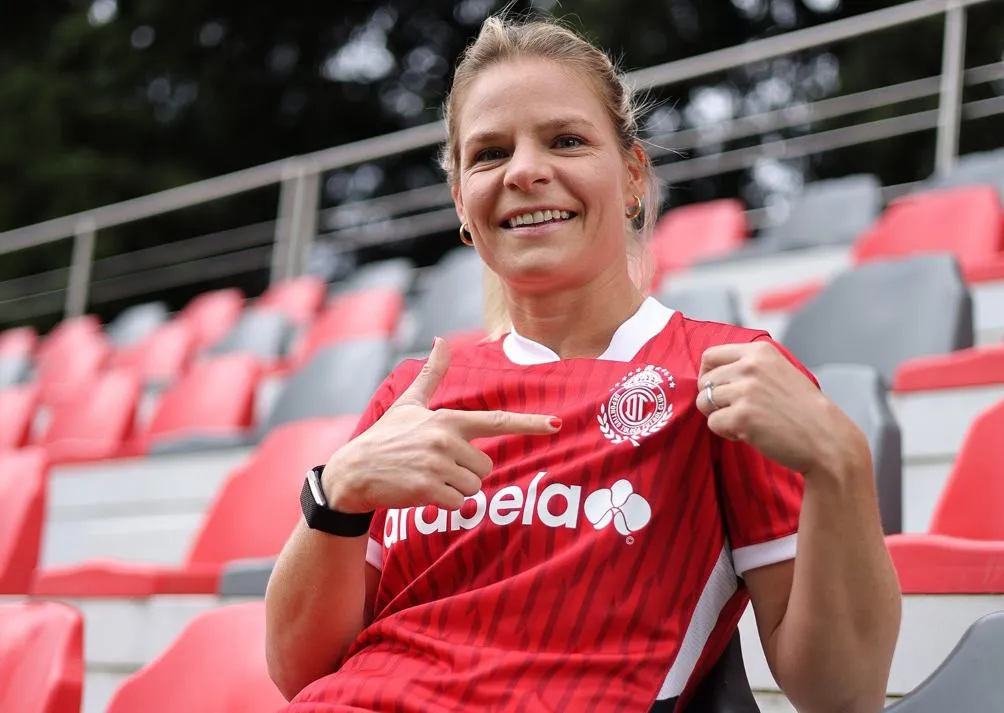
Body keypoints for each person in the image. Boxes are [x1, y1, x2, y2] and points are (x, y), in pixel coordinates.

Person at [265, 15, 901, 713]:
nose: (525, 170)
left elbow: (842, 695)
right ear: (462, 205)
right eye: (489, 153)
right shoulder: (412, 396)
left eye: (566, 140)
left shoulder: (725, 377)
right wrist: (337, 491)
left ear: (633, 177)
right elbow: (301, 672)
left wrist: (842, 464)